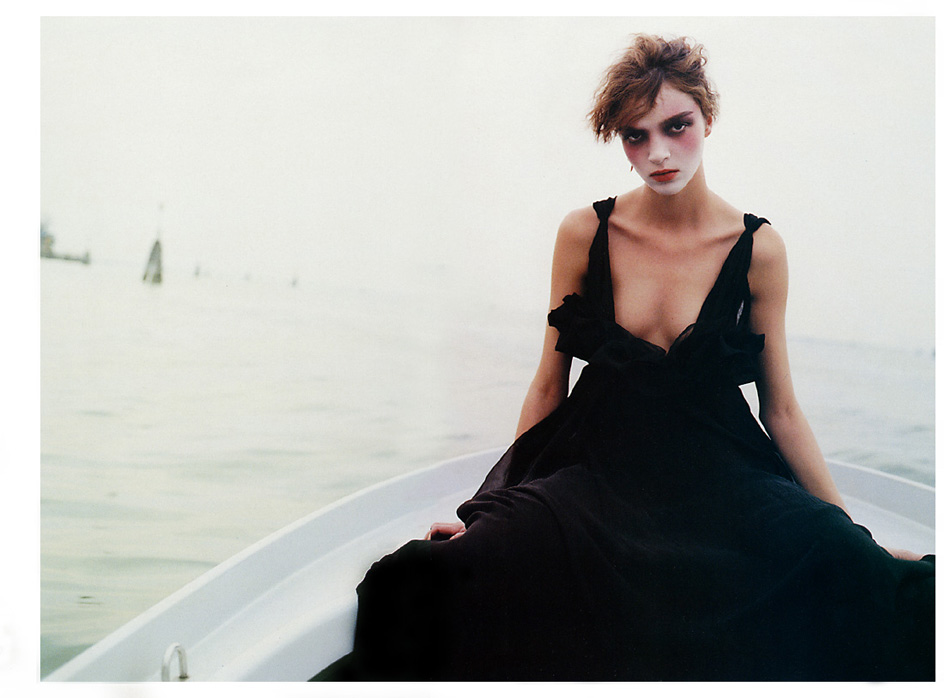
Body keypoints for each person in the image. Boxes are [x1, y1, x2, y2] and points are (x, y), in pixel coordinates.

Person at [316, 34, 934, 681]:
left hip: (723, 475)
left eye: (676, 126)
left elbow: (780, 408)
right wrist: (489, 509)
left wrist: (850, 530)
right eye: (636, 136)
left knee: (855, 569)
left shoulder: (758, 248)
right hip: (597, 470)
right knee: (429, 575)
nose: (658, 153)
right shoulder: (585, 232)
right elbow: (549, 385)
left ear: (707, 118)